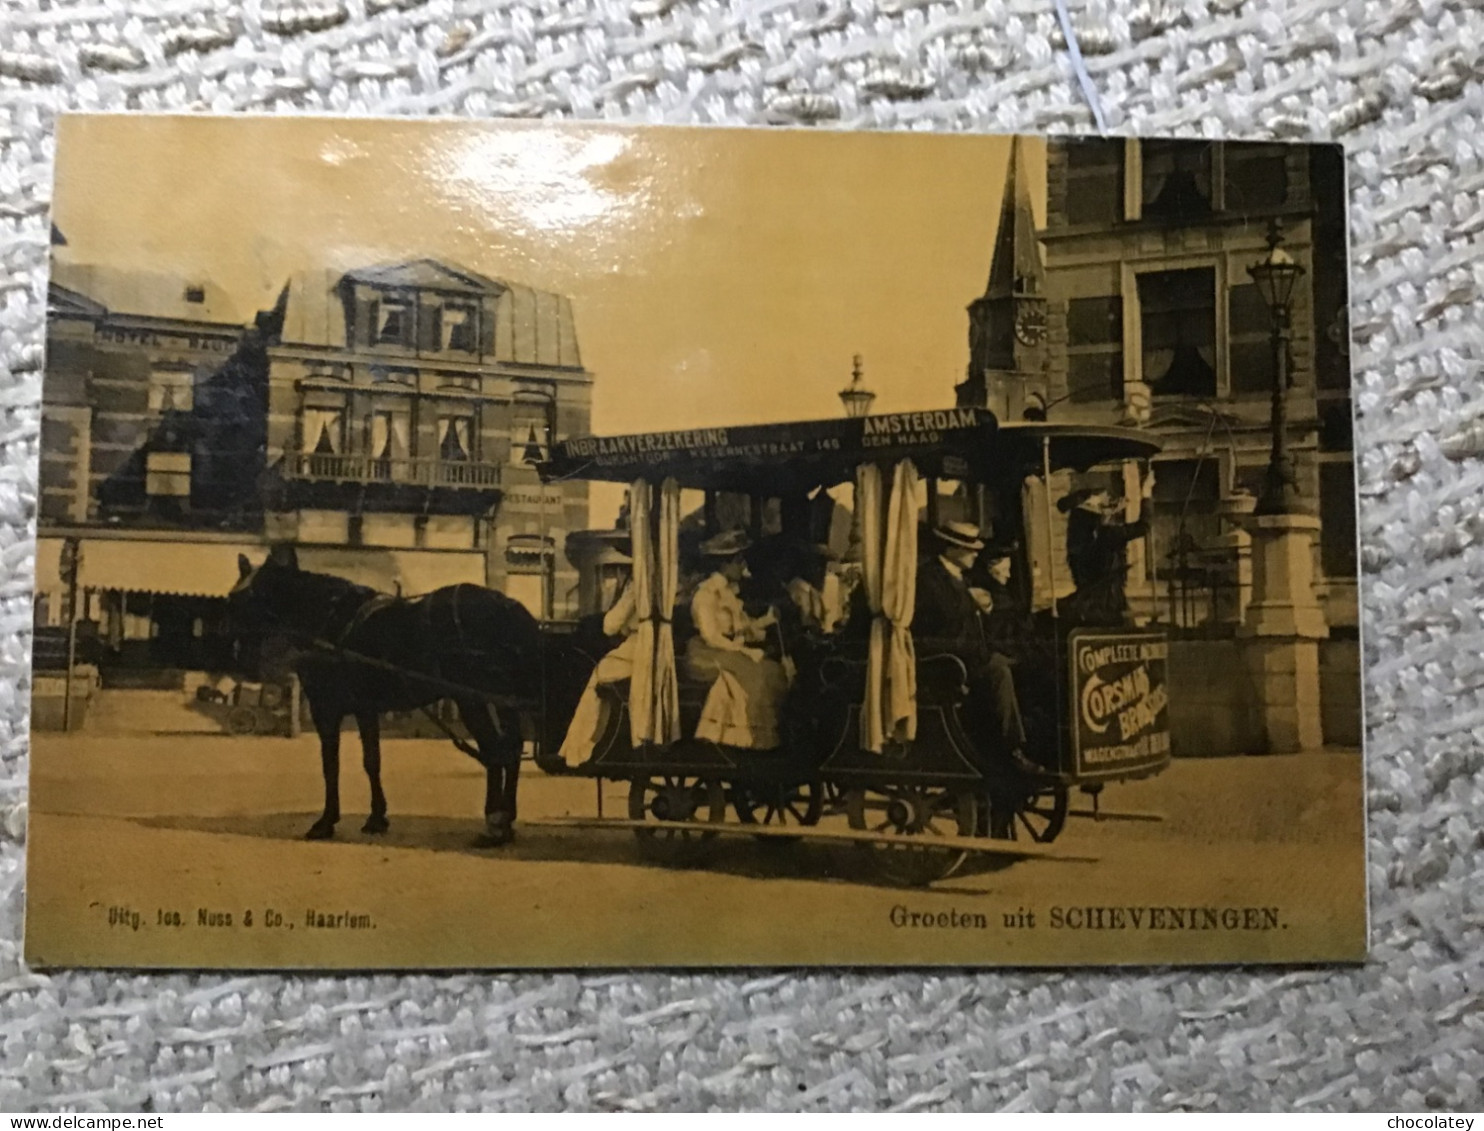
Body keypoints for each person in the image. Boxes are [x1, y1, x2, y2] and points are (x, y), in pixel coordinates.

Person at [914, 521, 1037, 775]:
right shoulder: (929, 579)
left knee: (1025, 666)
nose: (975, 553)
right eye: (968, 548)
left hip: (969, 655)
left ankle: (1030, 740)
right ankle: (1010, 748)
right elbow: (937, 628)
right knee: (998, 669)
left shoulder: (962, 577)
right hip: (944, 661)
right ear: (951, 549)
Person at [683, 529, 791, 749]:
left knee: (772, 670)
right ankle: (744, 740)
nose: (744, 567)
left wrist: (767, 621)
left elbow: (743, 627)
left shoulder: (729, 593)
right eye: (739, 561)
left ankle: (764, 738)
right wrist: (744, 651)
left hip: (727, 650)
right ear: (725, 564)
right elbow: (712, 636)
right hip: (706, 652)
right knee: (756, 674)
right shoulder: (706, 594)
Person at [556, 555, 640, 766]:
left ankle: (582, 746)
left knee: (600, 674)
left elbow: (610, 625)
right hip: (655, 647)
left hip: (638, 647)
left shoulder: (639, 587)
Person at [1060, 470, 1155, 625]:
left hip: (1087, 607)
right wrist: (1146, 493)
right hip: (1110, 606)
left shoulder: (1076, 542)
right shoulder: (1108, 536)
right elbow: (1143, 526)